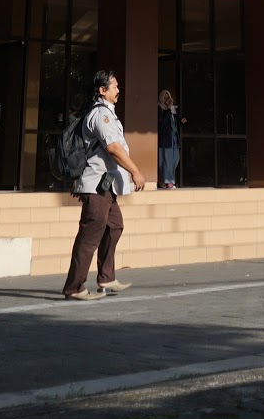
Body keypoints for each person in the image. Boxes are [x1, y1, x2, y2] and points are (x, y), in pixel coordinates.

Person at [61, 68, 145, 301]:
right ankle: (74, 287)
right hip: (95, 186)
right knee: (89, 236)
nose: (118, 90)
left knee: (114, 226)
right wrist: (135, 171)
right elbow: (113, 148)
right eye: (114, 86)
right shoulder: (101, 115)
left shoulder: (108, 113)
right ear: (102, 90)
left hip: (106, 186)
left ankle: (106, 277)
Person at [157, 89, 182, 188]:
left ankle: (164, 180)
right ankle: (169, 182)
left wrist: (181, 119)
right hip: (165, 139)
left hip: (174, 138)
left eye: (168, 96)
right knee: (167, 161)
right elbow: (162, 122)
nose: (167, 98)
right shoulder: (160, 109)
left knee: (175, 159)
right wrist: (168, 110)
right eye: (165, 97)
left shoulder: (172, 109)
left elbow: (176, 121)